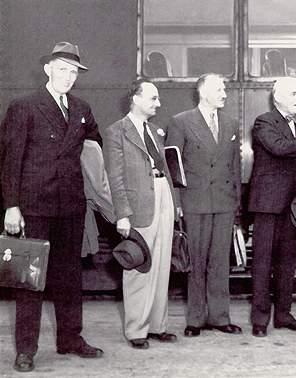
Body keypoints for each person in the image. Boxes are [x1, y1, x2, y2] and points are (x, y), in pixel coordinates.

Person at [1, 41, 104, 373]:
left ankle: (70, 339)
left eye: (74, 71)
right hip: (33, 207)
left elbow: (94, 144)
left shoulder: (82, 108)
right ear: (47, 69)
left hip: (70, 207)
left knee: (70, 277)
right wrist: (11, 206)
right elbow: (10, 160)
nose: (69, 77)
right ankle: (26, 349)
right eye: (62, 69)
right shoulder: (25, 106)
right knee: (30, 281)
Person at [247, 77, 296, 337]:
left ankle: (283, 315)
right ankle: (260, 320)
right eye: (294, 93)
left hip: (292, 205)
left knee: (287, 262)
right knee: (262, 262)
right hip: (268, 205)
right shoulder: (265, 122)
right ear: (278, 97)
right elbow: (279, 148)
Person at [166, 73, 242, 337]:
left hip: (223, 202)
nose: (224, 93)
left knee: (220, 261)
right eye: (219, 89)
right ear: (203, 92)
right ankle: (195, 320)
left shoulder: (231, 124)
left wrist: (237, 204)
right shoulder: (180, 122)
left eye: (224, 89)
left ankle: (220, 317)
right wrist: (176, 203)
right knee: (195, 261)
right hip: (194, 202)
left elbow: (235, 166)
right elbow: (171, 167)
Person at [104, 78, 178, 349]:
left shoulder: (156, 131)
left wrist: (174, 201)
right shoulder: (116, 132)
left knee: (161, 265)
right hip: (138, 205)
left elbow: (167, 168)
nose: (158, 103)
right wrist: (122, 214)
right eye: (153, 98)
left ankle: (158, 326)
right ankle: (137, 330)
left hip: (162, 197)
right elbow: (115, 177)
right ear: (135, 99)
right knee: (139, 265)